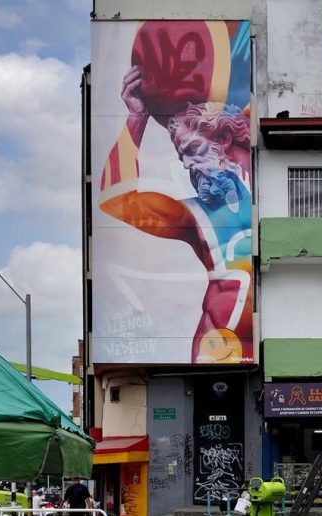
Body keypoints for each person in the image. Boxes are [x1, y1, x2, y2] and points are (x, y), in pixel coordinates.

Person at [99, 22, 253, 364]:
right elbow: (115, 200)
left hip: (276, 346)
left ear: (223, 139)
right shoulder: (193, 215)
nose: (189, 164)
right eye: (182, 155)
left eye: (193, 148)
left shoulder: (262, 178)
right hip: (218, 350)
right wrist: (136, 119)